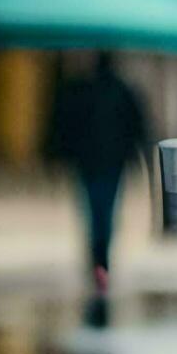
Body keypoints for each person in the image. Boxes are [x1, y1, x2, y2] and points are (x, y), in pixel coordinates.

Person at [47, 51, 150, 294]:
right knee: (105, 210)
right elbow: (138, 127)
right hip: (110, 163)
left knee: (94, 210)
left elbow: (67, 124)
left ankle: (97, 257)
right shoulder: (123, 91)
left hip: (91, 163)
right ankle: (101, 258)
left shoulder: (83, 90)